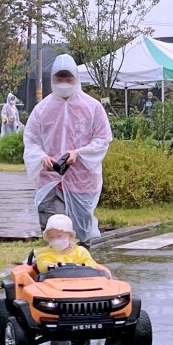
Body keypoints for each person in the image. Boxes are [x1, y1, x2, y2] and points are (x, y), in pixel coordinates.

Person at [23, 54, 113, 246]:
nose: (64, 83)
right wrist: (42, 157)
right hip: (50, 181)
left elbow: (103, 139)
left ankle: (83, 268)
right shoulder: (42, 109)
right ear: (53, 79)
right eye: (59, 78)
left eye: (68, 78)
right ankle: (55, 268)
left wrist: (78, 153)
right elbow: (30, 140)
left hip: (82, 181)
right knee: (53, 231)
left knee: (81, 233)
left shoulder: (93, 107)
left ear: (76, 78)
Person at [34, 213, 100, 273]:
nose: (55, 240)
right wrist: (49, 265)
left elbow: (90, 262)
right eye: (51, 237)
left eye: (59, 236)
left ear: (70, 235)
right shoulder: (47, 253)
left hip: (79, 279)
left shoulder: (80, 251)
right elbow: (42, 263)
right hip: (56, 280)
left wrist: (85, 265)